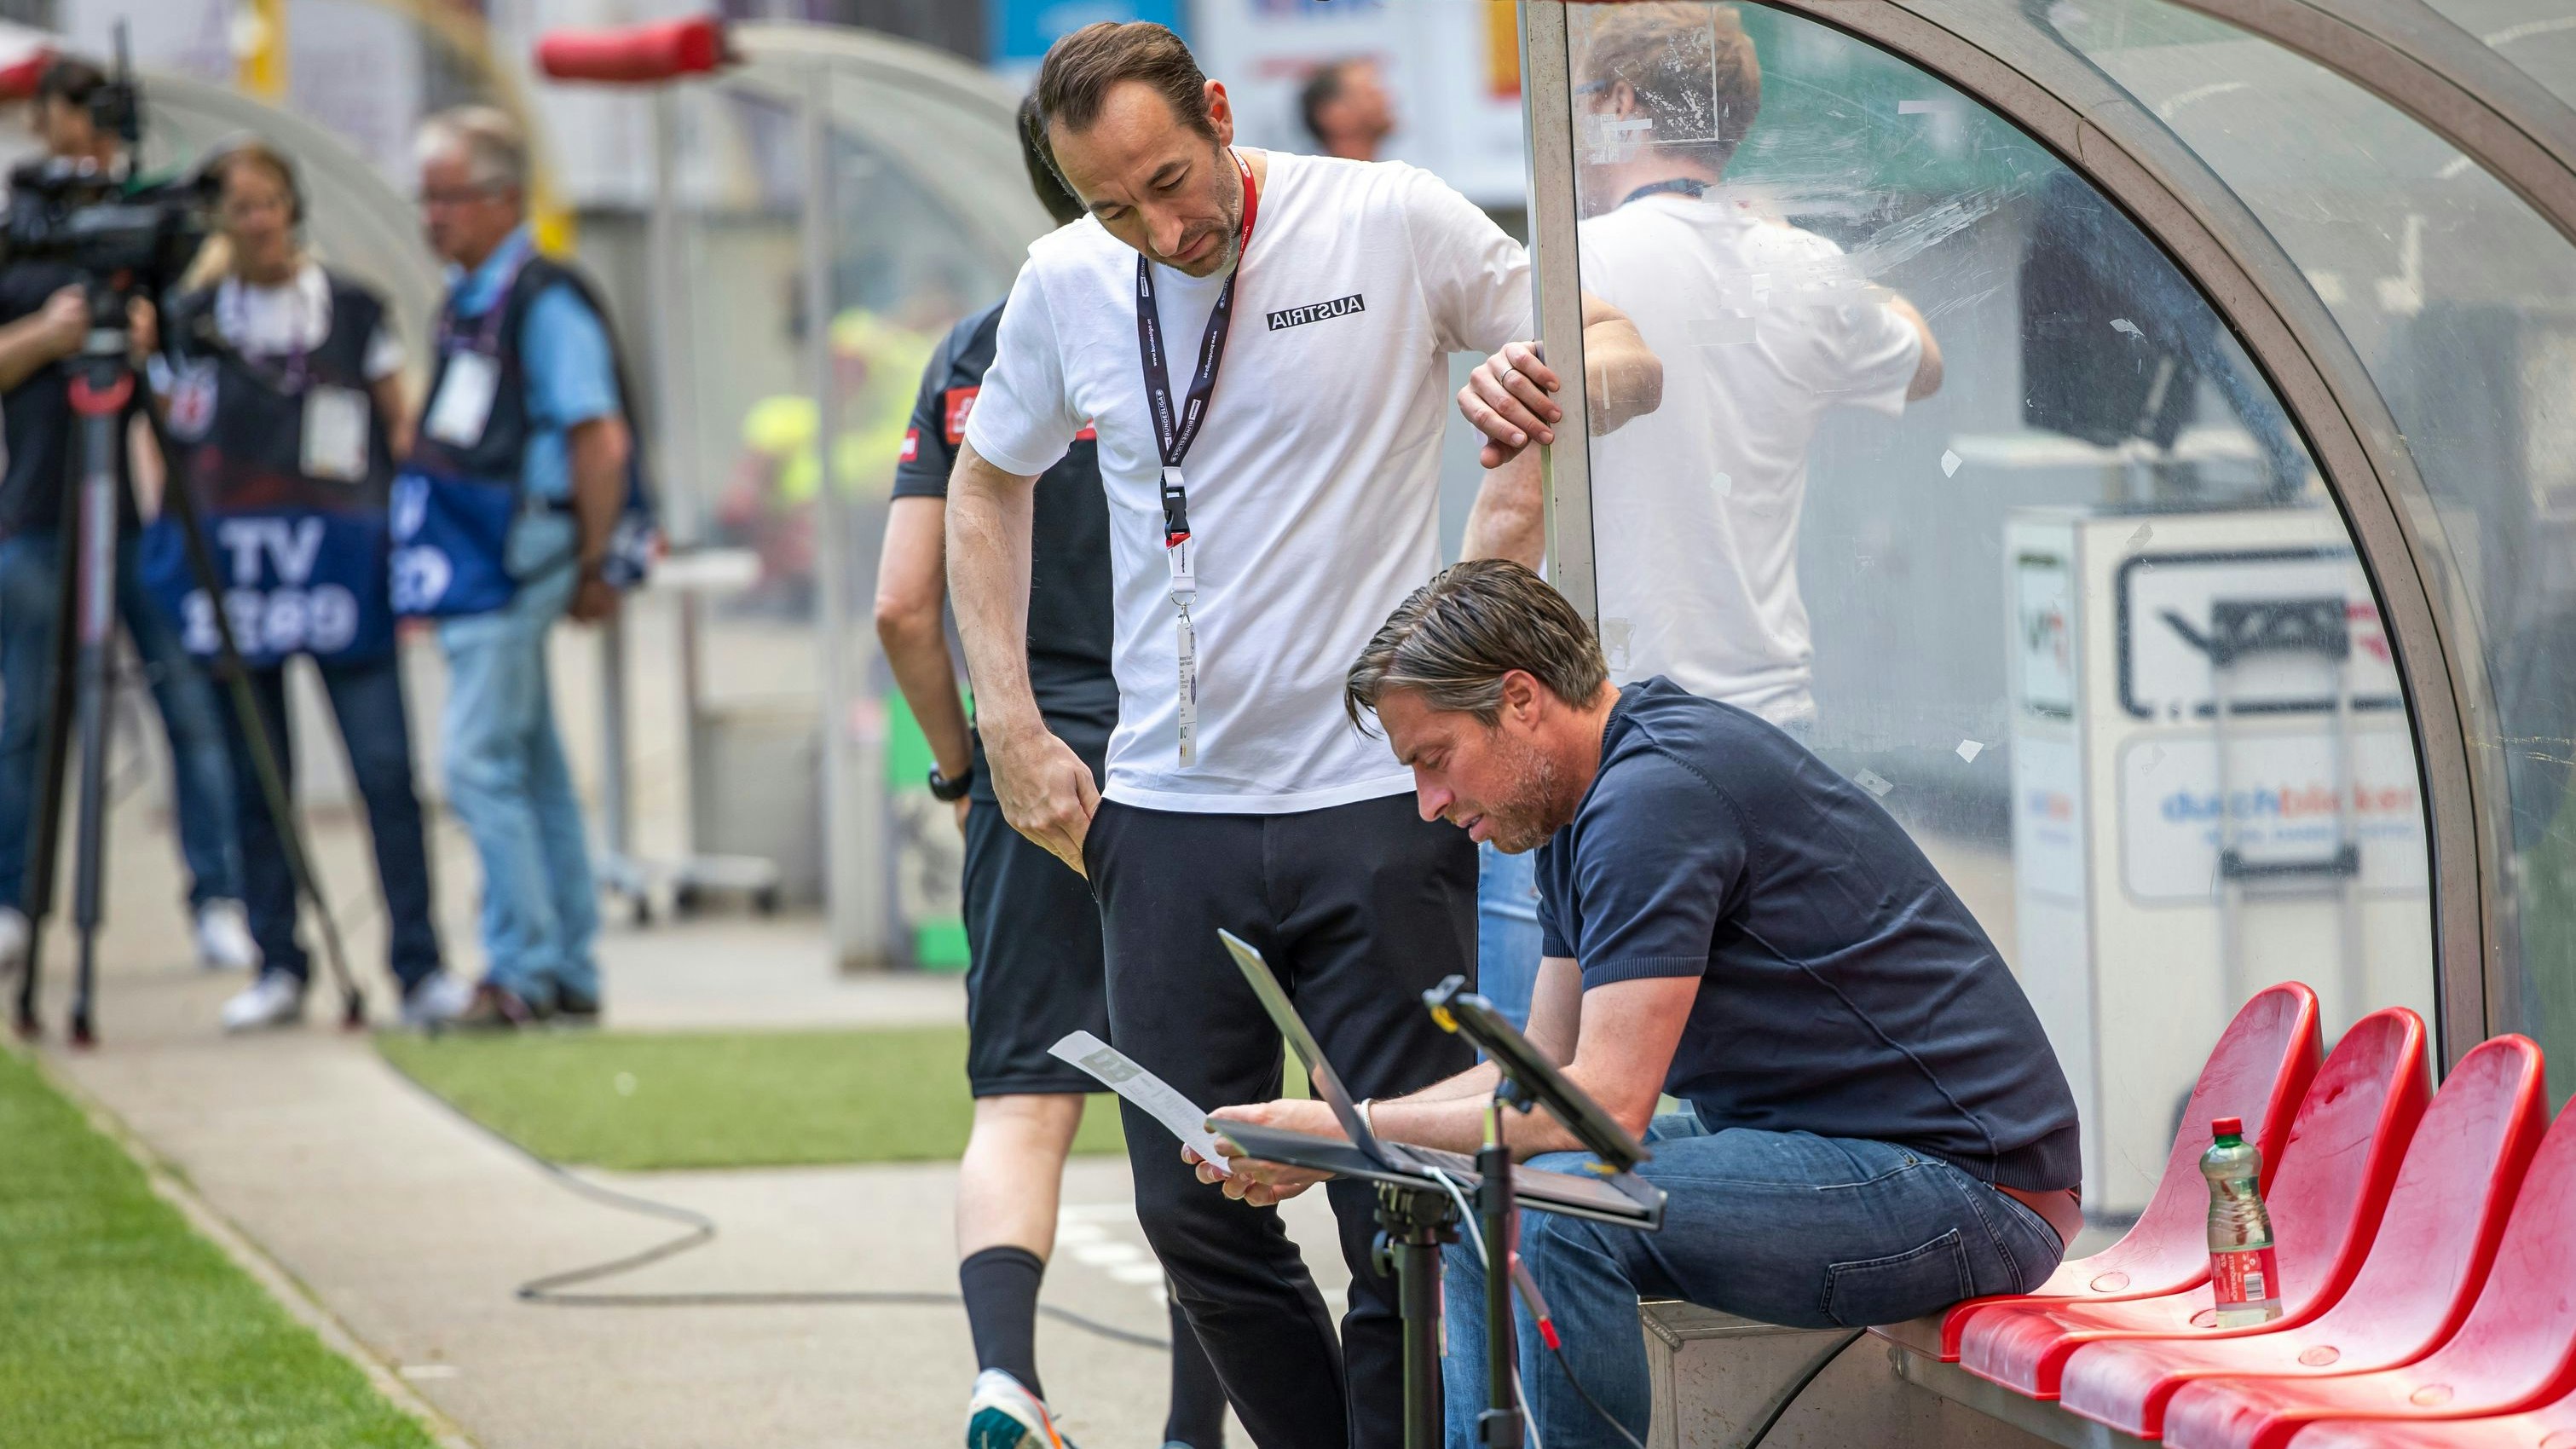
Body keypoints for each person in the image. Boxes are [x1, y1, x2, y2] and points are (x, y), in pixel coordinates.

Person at [944, 21, 1659, 1446]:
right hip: (1164, 810)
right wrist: (1010, 723)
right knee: (1189, 1204)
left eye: (1168, 181)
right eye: (1111, 207)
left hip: (1375, 806)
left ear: (1219, 113)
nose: (1159, 227)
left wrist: (1555, 384)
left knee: (1401, 1198)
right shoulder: (1067, 283)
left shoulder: (1381, 218)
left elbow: (1618, 346)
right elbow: (984, 486)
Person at [1197, 559, 2083, 1449]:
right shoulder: (1586, 801)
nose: (1429, 802)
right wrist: (1342, 1131)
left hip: (1970, 1186)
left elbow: (1599, 1110)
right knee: (1473, 1195)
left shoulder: (1651, 800)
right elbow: (1535, 1072)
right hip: (1857, 1156)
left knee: (1547, 1212)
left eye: (1434, 759)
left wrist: (1357, 1135)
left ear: (1519, 698)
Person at [1458, 3, 1944, 1030]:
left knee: (1554, 1102)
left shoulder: (1575, 263)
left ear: (1625, 104)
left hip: (1589, 736)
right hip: (1766, 729)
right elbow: (1924, 357)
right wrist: (1804, 257)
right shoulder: (1799, 266)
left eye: (1587, 101)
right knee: (1746, 1072)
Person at [874, 92, 1228, 1449]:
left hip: (1033, 761)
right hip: (1189, 761)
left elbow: (904, 607)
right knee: (1197, 1102)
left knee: (1024, 1102)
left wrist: (965, 765)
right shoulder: (1205, 310)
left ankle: (1004, 1382)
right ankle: (1199, 1421)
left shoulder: (974, 348)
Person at [141, 142, 466, 1031]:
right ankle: (280, 957)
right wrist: (170, 548)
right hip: (238, 579)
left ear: (293, 207)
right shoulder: (193, 319)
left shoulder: (355, 311)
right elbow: (164, 444)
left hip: (343, 573)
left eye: (268, 202)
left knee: (387, 771)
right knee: (258, 775)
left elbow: (399, 427)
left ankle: (419, 964)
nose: (256, 222)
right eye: (238, 207)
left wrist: (409, 544)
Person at [0, 57, 257, 979]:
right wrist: (50, 336)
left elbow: (220, 273)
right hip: (36, 509)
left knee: (190, 701)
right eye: (76, 112)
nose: (90, 132)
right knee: (25, 713)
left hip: (147, 518)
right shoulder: (20, 231)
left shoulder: (148, 226)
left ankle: (220, 897)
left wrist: (155, 317)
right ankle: (14, 905)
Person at [396, 107, 631, 1027]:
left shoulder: (541, 297)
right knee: (528, 762)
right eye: (427, 197)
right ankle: (565, 966)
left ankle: (519, 973)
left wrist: (592, 556)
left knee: (474, 761)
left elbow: (598, 440)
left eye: (448, 197)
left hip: (511, 554)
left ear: (503, 200)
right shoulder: (470, 299)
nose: (432, 216)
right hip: (479, 551)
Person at [1297, 58, 1395, 163]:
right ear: (1336, 116)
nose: (1387, 100)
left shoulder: (1394, 176)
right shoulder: (1317, 178)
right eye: (1371, 94)